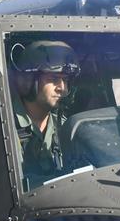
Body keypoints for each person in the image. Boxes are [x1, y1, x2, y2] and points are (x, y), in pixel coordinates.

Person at [10, 40, 80, 186]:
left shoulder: (65, 126)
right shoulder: (5, 127)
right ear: (28, 81)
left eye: (66, 80)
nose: (63, 88)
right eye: (54, 79)